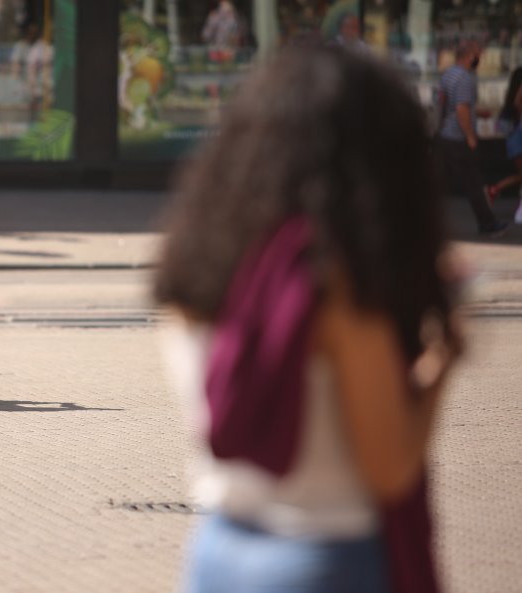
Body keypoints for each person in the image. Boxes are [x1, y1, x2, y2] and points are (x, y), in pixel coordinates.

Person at [156, 46, 463, 593]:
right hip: (326, 560)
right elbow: (391, 467)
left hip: (216, 554)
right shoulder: (330, 283)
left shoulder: (196, 264)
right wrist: (443, 357)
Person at [435, 39, 507, 237]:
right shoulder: (464, 78)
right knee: (473, 183)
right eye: (478, 55)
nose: (480, 58)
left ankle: (422, 220)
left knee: (441, 181)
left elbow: (449, 104)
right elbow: (461, 109)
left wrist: (477, 113)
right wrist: (470, 136)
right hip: (459, 139)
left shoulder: (449, 74)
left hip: (446, 136)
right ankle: (488, 224)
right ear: (469, 56)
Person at [486, 66, 522, 223]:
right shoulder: (516, 103)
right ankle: (494, 189)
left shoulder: (510, 100)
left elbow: (502, 126)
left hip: (513, 138)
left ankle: (494, 189)